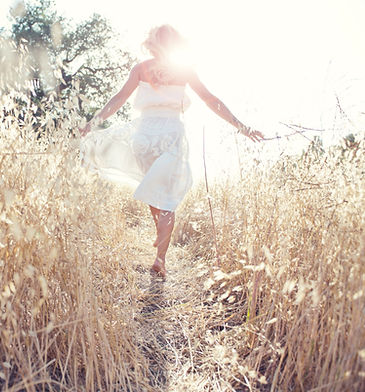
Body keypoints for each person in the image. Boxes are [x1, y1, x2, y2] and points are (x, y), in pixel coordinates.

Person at [79, 24, 264, 278]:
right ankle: (161, 258)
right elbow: (212, 100)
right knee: (166, 198)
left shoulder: (141, 68)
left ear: (152, 43)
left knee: (155, 192)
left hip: (143, 137)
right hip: (171, 135)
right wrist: (241, 126)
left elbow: (119, 99)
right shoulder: (185, 70)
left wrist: (93, 122)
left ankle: (159, 238)